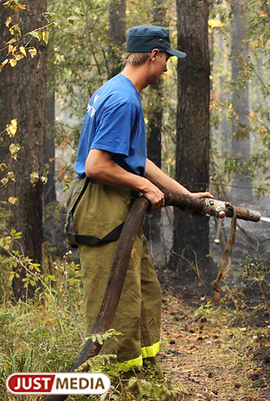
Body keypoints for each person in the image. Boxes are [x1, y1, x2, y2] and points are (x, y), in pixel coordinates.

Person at [65, 25, 212, 375]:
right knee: (115, 306)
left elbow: (136, 160)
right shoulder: (122, 99)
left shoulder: (117, 91)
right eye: (166, 61)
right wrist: (144, 188)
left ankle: (142, 377)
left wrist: (185, 196)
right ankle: (117, 385)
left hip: (117, 209)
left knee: (143, 293)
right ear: (153, 56)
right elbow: (97, 165)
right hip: (103, 210)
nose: (166, 69)